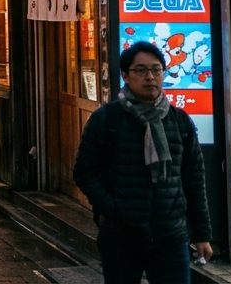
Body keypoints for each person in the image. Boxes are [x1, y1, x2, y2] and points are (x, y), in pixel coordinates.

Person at [73, 41, 212, 283]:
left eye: (156, 70)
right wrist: (115, 209)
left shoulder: (179, 122)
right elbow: (84, 172)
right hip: (121, 236)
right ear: (125, 76)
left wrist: (201, 233)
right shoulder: (106, 120)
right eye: (141, 70)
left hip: (170, 234)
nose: (150, 77)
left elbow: (194, 179)